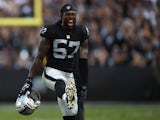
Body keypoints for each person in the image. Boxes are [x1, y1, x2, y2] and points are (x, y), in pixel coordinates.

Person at [18, 4, 89, 120]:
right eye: (68, 15)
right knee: (60, 83)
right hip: (52, 71)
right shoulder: (51, 31)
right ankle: (67, 95)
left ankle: (67, 95)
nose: (71, 17)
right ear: (61, 16)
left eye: (73, 15)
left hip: (69, 75)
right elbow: (39, 58)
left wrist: (84, 84)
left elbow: (83, 60)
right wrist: (29, 80)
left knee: (71, 113)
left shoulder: (81, 32)